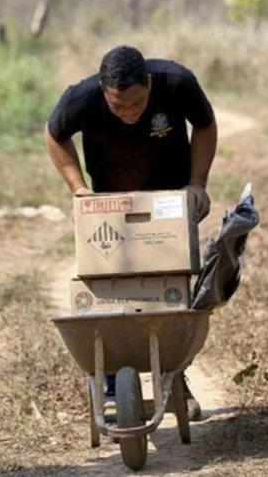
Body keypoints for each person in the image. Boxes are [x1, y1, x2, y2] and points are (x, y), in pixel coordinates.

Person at [44, 45, 219, 421]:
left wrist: (198, 184)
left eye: (137, 104)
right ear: (105, 91)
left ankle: (174, 380)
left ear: (149, 84)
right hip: (110, 205)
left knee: (169, 292)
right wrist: (78, 189)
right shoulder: (82, 97)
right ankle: (110, 385)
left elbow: (205, 124)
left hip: (167, 203)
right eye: (118, 106)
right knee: (111, 291)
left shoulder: (177, 82)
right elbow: (53, 134)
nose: (129, 114)